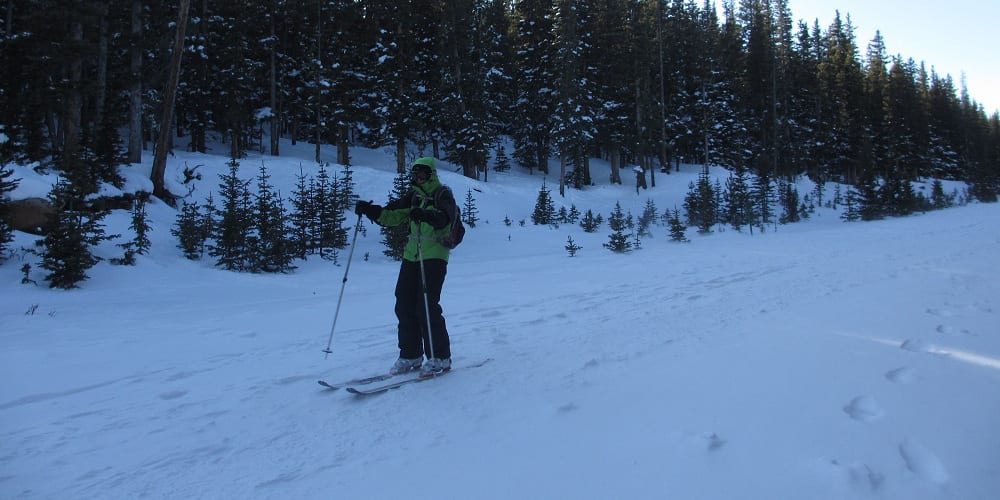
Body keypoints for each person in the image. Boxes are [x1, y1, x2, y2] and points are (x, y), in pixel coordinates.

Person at [354, 157, 456, 377]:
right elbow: (392, 215)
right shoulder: (414, 196)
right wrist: (370, 211)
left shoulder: (442, 194)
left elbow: (446, 218)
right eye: (415, 174)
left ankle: (441, 357)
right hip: (412, 255)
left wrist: (426, 214)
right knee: (404, 302)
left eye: (422, 174)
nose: (418, 178)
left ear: (431, 174)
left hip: (435, 255)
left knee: (426, 306)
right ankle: (411, 354)